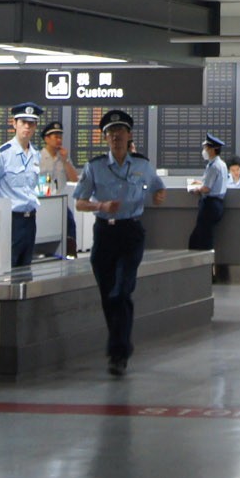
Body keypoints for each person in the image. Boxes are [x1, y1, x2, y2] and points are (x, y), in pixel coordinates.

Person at [73, 108, 166, 376]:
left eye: (120, 132)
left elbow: (158, 186)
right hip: (104, 234)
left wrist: (159, 196)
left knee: (121, 291)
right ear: (105, 138)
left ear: (129, 135)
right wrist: (100, 204)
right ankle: (119, 343)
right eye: (110, 133)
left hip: (131, 233)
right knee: (107, 295)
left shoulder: (142, 165)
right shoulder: (95, 167)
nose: (115, 137)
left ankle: (119, 352)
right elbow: (79, 201)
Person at [0, 103, 45, 267]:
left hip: (30, 219)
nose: (27, 126)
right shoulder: (2, 154)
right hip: (11, 219)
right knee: (8, 265)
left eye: (31, 123)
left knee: (26, 267)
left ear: (35, 126)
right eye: (23, 122)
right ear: (14, 124)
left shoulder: (35, 154)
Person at [38, 120, 80, 257]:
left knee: (70, 227)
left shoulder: (64, 157)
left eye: (60, 136)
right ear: (46, 139)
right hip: (42, 203)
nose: (59, 139)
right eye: (55, 136)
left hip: (60, 203)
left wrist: (65, 160)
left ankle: (70, 256)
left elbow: (74, 179)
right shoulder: (37, 157)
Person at [187, 133, 229, 258]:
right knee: (203, 236)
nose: (204, 151)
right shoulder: (221, 164)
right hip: (217, 205)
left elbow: (207, 188)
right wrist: (199, 182)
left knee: (201, 239)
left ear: (213, 149)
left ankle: (203, 268)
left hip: (209, 205)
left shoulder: (213, 166)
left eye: (206, 148)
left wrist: (195, 189)